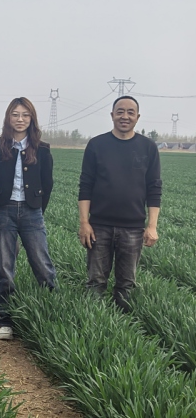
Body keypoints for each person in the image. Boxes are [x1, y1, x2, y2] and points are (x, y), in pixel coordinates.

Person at [78, 95, 161, 312]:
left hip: (133, 228)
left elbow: (154, 188)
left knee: (126, 284)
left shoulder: (148, 147)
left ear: (137, 117)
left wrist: (152, 226)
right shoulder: (97, 145)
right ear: (112, 115)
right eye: (120, 111)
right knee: (95, 282)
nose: (125, 116)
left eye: (130, 112)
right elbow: (85, 185)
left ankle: (122, 325)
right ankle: (93, 321)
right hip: (99, 226)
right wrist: (84, 223)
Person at [0, 97, 56, 340]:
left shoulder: (42, 149)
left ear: (32, 119)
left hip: (31, 212)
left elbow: (47, 183)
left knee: (43, 265)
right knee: (4, 267)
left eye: (25, 115)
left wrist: (37, 209)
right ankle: (5, 320)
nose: (20, 119)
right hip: (3, 211)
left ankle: (51, 313)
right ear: (8, 118)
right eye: (15, 114)